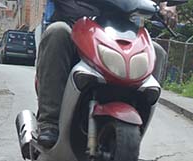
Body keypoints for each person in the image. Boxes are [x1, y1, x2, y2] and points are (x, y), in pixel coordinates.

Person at [35, 0, 168, 148]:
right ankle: (49, 121)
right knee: (57, 32)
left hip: (116, 35)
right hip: (74, 31)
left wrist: (164, 7)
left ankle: (137, 127)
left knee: (156, 51)